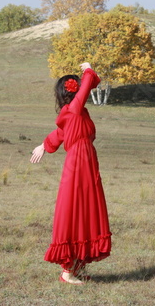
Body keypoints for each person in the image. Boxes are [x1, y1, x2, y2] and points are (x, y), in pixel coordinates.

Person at [30, 62, 111, 285]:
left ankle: (75, 267)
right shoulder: (75, 109)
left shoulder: (75, 112)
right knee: (76, 209)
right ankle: (67, 271)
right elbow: (90, 80)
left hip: (84, 162)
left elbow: (60, 133)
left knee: (83, 211)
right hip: (79, 164)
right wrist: (88, 68)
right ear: (74, 92)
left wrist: (43, 146)